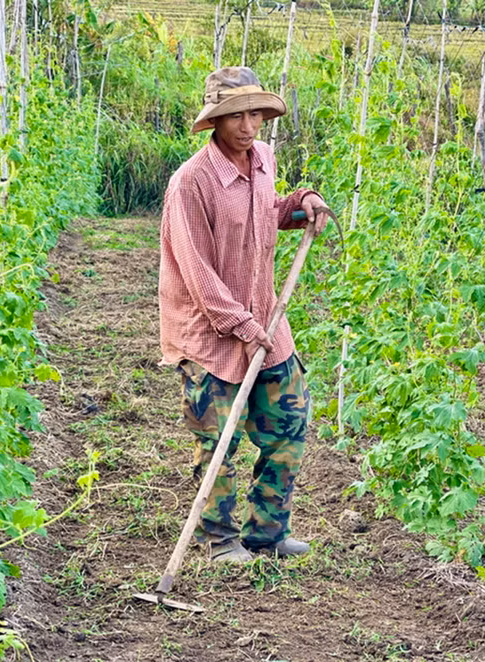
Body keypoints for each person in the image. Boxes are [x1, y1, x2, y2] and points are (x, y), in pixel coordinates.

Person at [158, 66, 329, 564]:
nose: (248, 126)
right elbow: (197, 272)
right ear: (215, 119)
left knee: (289, 421)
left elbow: (265, 213)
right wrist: (243, 327)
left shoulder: (264, 160)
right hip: (210, 333)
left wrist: (302, 204)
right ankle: (219, 539)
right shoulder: (190, 183)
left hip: (264, 319)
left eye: (255, 114)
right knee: (218, 441)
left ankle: (267, 534)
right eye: (236, 115)